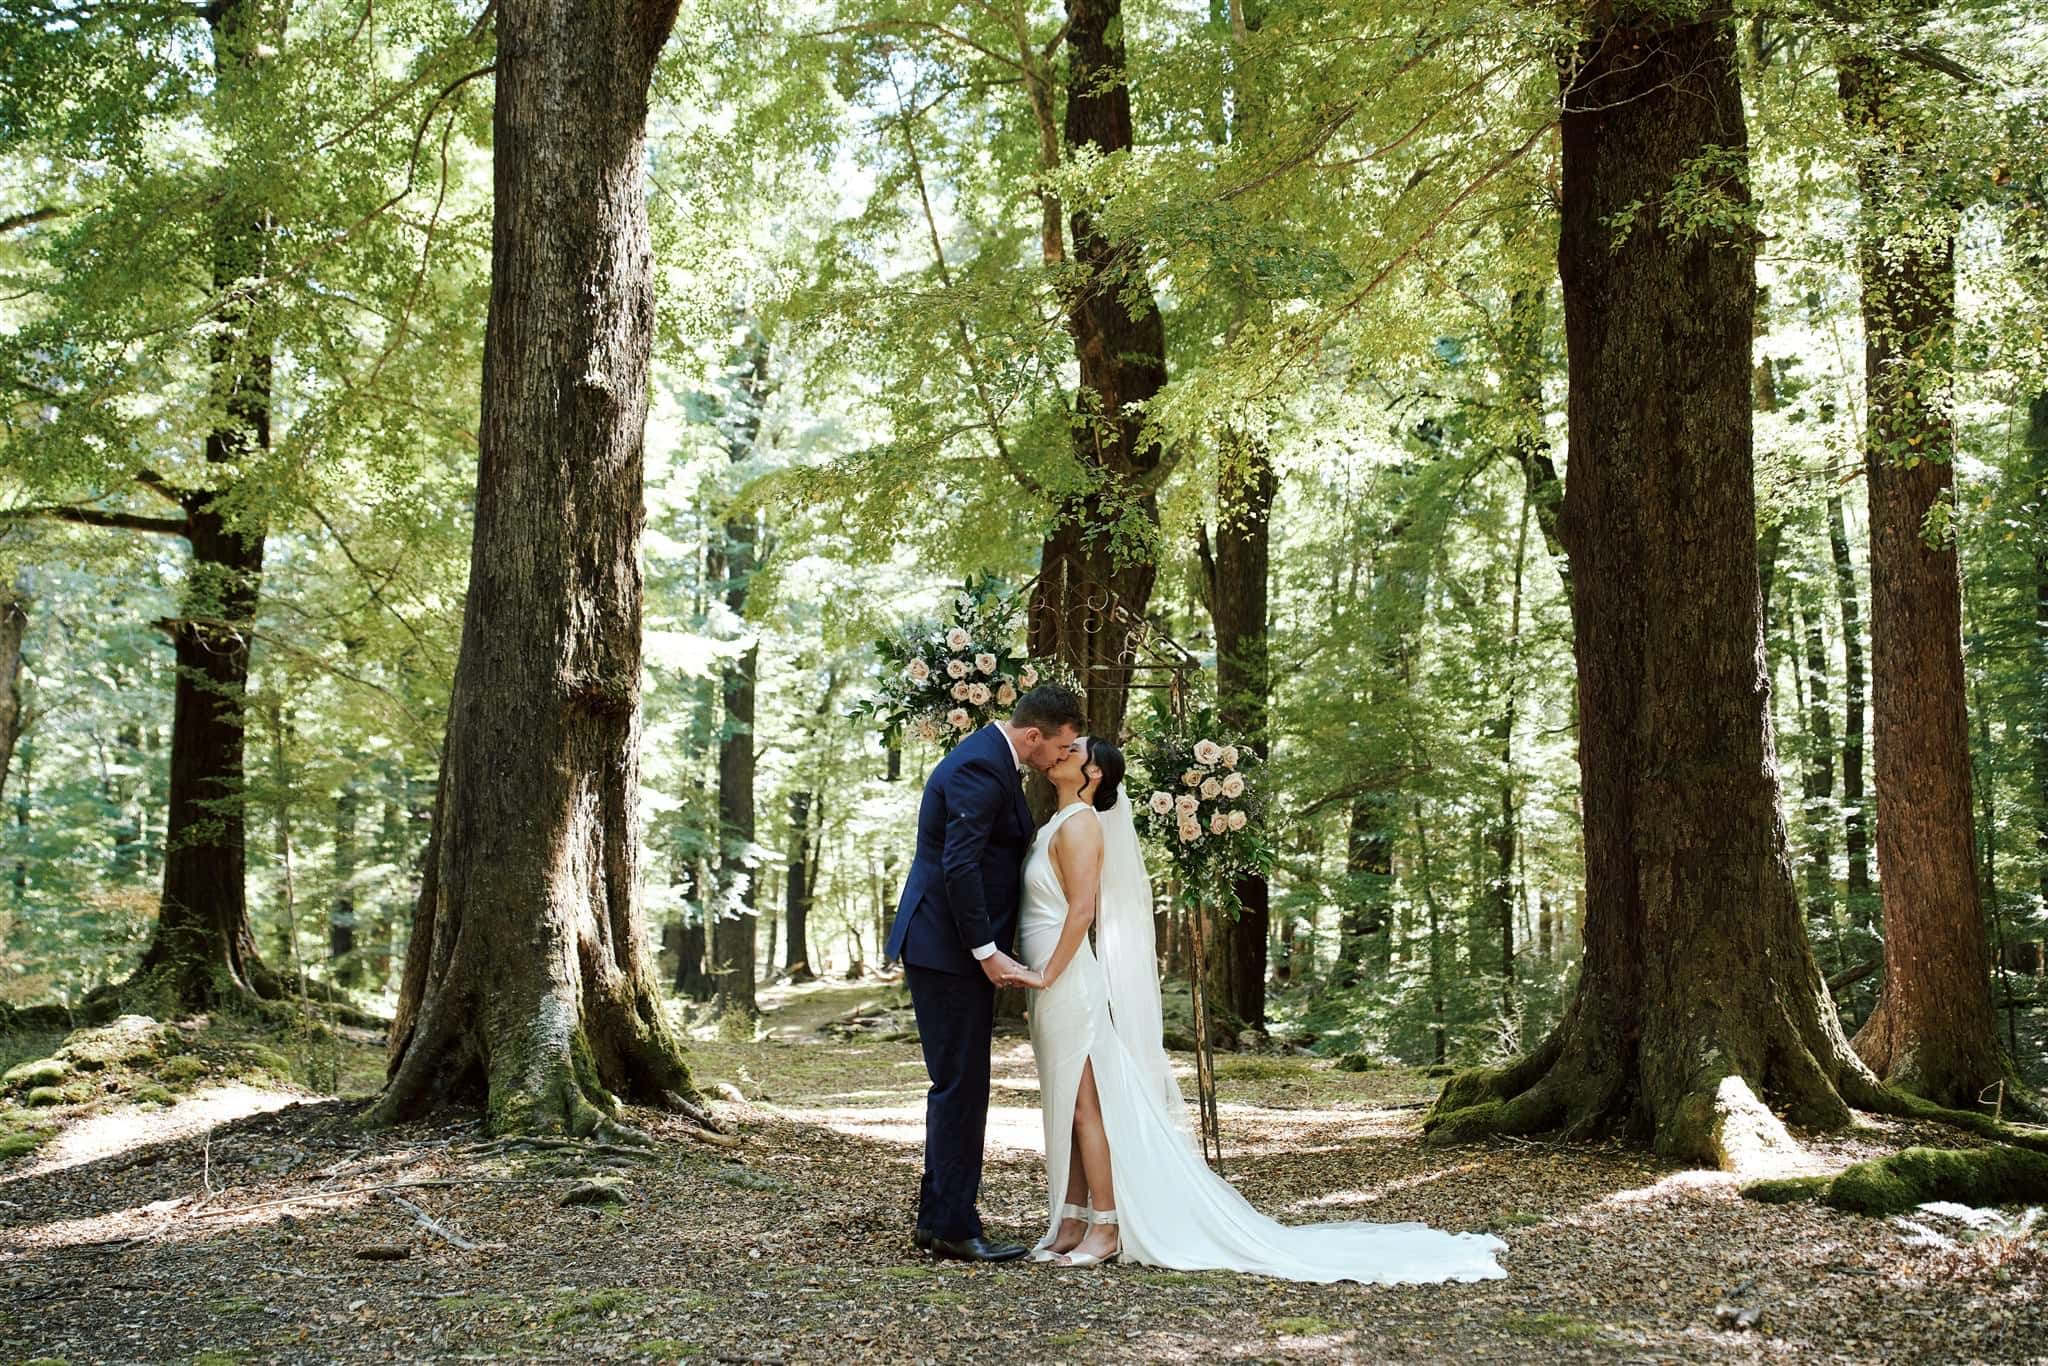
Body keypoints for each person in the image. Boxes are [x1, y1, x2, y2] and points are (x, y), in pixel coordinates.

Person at [1009, 736, 1510, 1282]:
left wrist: (1046, 973)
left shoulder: (1082, 824)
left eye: (1073, 750)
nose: (1060, 751)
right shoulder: (1053, 825)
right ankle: (1071, 1220)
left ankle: (1105, 1226)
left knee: (1087, 1106)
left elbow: (1083, 911)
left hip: (1065, 979)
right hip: (1048, 981)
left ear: (1094, 774)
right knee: (1068, 1100)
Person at [884, 684, 1086, 1262]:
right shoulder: (978, 765)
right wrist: (986, 949)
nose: (1060, 758)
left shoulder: (993, 760)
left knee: (960, 1084)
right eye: (1060, 746)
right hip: (947, 948)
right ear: (1032, 736)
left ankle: (937, 1218)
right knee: (961, 1087)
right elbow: (960, 865)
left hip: (951, 949)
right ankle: (952, 1226)